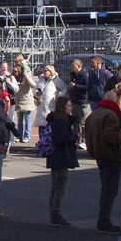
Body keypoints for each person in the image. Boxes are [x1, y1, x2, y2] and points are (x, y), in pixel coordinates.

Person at [84, 85, 121, 233]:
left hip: (99, 154)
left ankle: (103, 220)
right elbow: (111, 136)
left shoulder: (94, 114)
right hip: (111, 155)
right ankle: (104, 221)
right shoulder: (110, 115)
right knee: (110, 190)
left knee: (106, 188)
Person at [45, 96, 79, 228]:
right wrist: (74, 137)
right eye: (68, 106)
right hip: (60, 157)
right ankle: (55, 214)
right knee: (60, 186)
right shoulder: (60, 121)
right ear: (62, 107)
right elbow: (60, 139)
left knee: (56, 186)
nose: (71, 108)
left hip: (56, 156)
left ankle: (54, 213)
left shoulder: (57, 120)